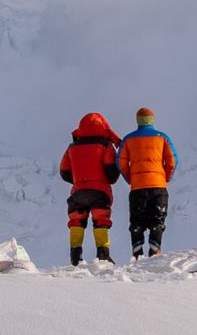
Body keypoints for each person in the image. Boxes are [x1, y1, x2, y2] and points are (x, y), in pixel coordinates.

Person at [57, 111, 121, 265]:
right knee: (101, 221)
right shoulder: (106, 146)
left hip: (78, 192)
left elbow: (64, 172)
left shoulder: (72, 147)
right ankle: (103, 254)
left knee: (77, 221)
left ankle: (75, 255)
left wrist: (79, 181)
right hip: (100, 193)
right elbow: (112, 175)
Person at [118, 106, 177, 258]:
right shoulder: (162, 137)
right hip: (158, 186)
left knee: (137, 222)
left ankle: (137, 252)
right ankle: (155, 250)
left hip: (138, 187)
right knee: (157, 220)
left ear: (138, 121)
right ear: (152, 120)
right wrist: (166, 177)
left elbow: (120, 163)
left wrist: (131, 178)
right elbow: (172, 161)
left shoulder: (128, 139)